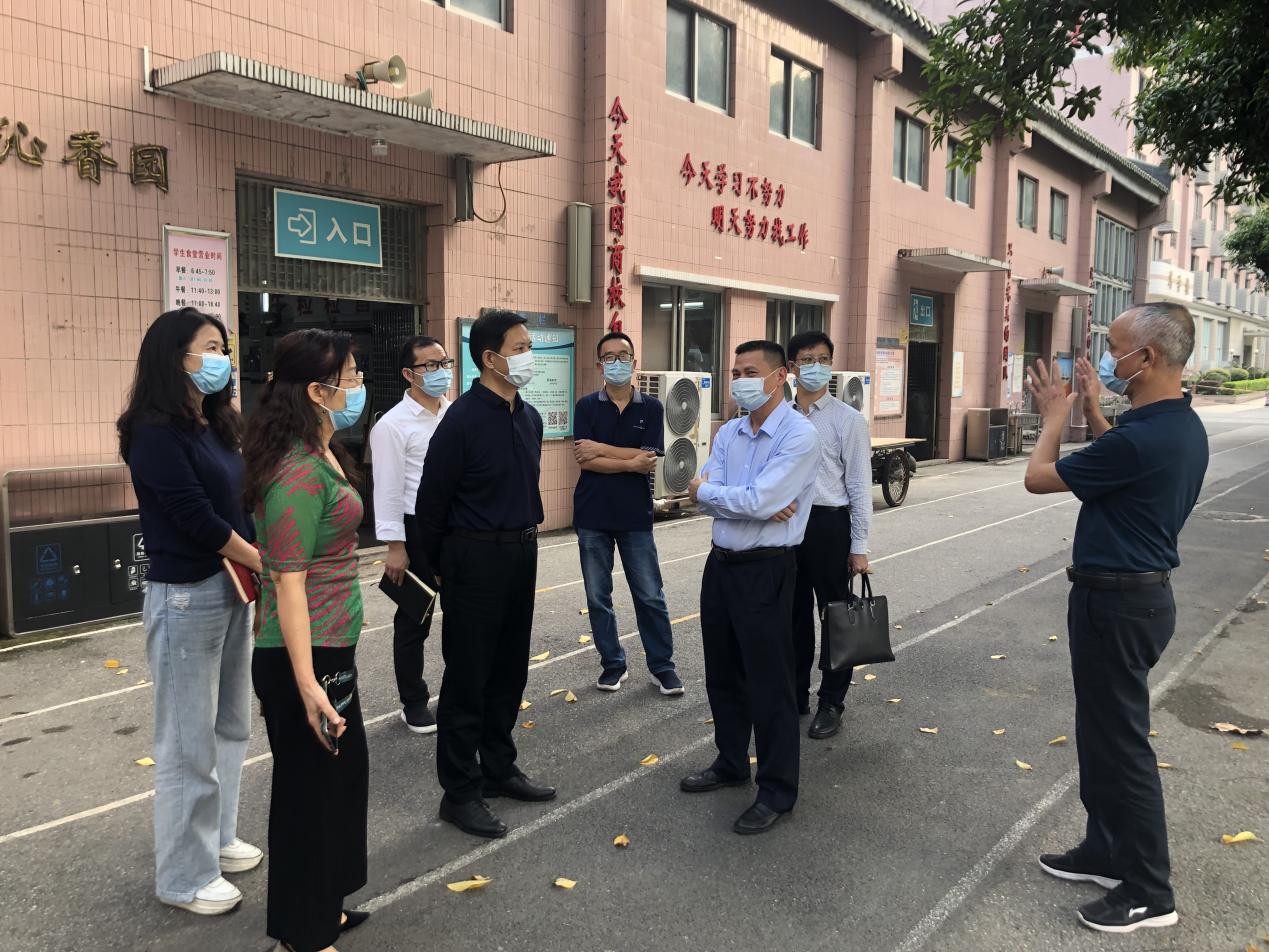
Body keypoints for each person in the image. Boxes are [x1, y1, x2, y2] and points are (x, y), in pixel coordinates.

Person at [1023, 303, 1208, 934]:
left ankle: (1150, 891)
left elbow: (1038, 478)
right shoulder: (1172, 425)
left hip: (1120, 604)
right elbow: (1119, 456)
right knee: (1101, 737)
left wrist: (1054, 418)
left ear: (1146, 358)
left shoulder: (1145, 438)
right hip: (1130, 599)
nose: (1106, 357)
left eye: (1114, 347)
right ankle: (1105, 851)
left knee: (1123, 748)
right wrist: (1093, 408)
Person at [118, 307, 262, 916]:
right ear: (175, 356)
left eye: (224, 347)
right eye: (211, 347)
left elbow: (239, 502)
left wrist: (255, 562)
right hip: (185, 594)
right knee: (186, 741)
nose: (222, 358)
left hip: (230, 589)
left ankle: (217, 839)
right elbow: (194, 516)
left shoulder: (215, 424)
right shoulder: (153, 432)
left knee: (231, 726)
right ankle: (183, 876)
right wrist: (263, 560)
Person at [243, 329, 373, 952]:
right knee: (309, 792)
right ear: (318, 391)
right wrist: (306, 685)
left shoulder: (322, 450)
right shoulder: (296, 472)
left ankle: (326, 906)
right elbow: (288, 583)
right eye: (351, 377)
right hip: (305, 654)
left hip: (330, 646)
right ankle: (303, 932)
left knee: (338, 783)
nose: (359, 386)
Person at [416, 309, 557, 840]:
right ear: (490, 358)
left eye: (529, 346)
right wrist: (440, 568)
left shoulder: (529, 417)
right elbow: (431, 503)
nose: (529, 356)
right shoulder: (461, 421)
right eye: (520, 348)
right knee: (468, 677)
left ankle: (499, 767)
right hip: (474, 558)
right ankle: (459, 792)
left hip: (521, 552)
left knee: (509, 670)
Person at [680, 340, 819, 835]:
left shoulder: (799, 435)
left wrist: (719, 495)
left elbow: (756, 499)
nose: (739, 380)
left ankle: (777, 789)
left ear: (780, 377)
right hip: (720, 565)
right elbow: (707, 498)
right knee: (722, 672)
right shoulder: (729, 432)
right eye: (736, 371)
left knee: (770, 682)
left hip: (766, 570)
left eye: (750, 372)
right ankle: (731, 761)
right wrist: (732, 499)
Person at [572, 331, 683, 695]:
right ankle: (613, 664)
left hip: (635, 515)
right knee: (597, 597)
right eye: (609, 357)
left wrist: (602, 449)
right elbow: (585, 461)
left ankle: (662, 667)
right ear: (599, 364)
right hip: (592, 515)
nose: (616, 362)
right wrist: (629, 461)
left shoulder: (651, 407)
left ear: (634, 362)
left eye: (623, 356)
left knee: (650, 594)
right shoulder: (586, 406)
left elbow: (648, 459)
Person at [785, 331, 873, 740]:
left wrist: (859, 546)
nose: (815, 367)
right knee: (792, 615)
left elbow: (859, 487)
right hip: (786, 525)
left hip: (828, 525)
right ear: (791, 367)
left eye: (823, 359)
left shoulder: (847, 420)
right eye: (807, 359)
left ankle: (832, 701)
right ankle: (795, 692)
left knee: (836, 617)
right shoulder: (780, 416)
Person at [369, 335, 452, 734]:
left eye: (444, 363)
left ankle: (458, 690)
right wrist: (395, 546)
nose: (441, 372)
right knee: (414, 618)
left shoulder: (453, 413)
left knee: (462, 612)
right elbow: (386, 488)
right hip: (415, 529)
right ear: (408, 373)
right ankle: (413, 701)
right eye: (430, 366)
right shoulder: (392, 425)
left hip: (455, 526)